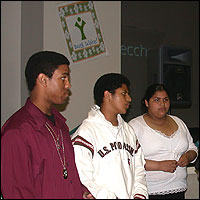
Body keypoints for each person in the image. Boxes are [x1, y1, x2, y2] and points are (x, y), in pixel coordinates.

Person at [1, 51, 94, 199]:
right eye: (63, 78)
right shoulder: (17, 131)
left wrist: (81, 192)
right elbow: (16, 193)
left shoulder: (60, 125)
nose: (68, 85)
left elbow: (66, 175)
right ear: (43, 80)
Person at [71, 73, 148, 199]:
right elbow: (84, 178)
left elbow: (139, 170)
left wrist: (139, 195)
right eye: (124, 93)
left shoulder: (128, 131)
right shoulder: (86, 133)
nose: (129, 99)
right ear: (107, 95)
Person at [128, 83, 198, 199]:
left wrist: (188, 156)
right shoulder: (135, 126)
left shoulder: (178, 122)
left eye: (166, 100)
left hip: (178, 189)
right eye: (157, 100)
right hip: (150, 191)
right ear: (146, 103)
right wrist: (159, 165)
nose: (162, 104)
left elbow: (192, 147)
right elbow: (129, 159)